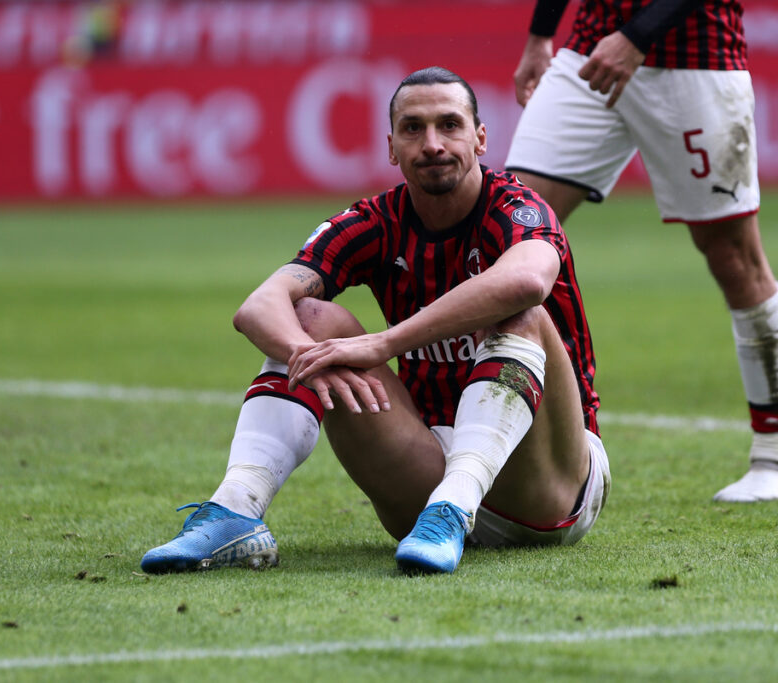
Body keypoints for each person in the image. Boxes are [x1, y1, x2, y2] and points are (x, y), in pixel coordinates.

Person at [140, 66, 610, 576]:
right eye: (413, 128)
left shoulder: (517, 208)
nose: (432, 143)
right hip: (425, 479)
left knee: (519, 313)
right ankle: (237, 508)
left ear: (480, 140)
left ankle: (455, 505)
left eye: (449, 125)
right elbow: (258, 306)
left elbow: (526, 282)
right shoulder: (375, 222)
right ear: (391, 147)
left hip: (551, 488)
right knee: (309, 317)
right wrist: (310, 355)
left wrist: (380, 344)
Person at [505, 0, 778, 502]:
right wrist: (540, 35)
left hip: (696, 57)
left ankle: (773, 453)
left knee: (734, 258)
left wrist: (636, 36)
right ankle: (482, 437)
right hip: (589, 50)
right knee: (511, 232)